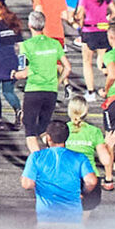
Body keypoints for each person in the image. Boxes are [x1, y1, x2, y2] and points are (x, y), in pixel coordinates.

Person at [21, 119, 97, 224]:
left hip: (47, 216)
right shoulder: (80, 158)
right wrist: (83, 192)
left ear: (48, 138)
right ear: (66, 137)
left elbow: (27, 184)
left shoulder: (36, 157)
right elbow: (91, 181)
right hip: (72, 217)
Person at [16, 9, 70, 153]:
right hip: (51, 91)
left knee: (30, 130)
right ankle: (55, 155)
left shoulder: (25, 45)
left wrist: (14, 75)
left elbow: (23, 72)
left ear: (29, 25)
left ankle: (38, 160)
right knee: (43, 128)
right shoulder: (54, 44)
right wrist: (58, 82)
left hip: (33, 90)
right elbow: (67, 68)